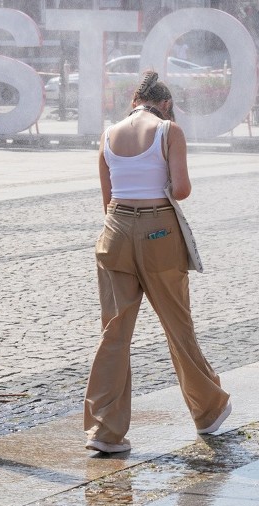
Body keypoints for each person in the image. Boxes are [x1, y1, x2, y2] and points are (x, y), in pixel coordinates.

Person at [83, 69, 231, 453]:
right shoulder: (169, 131)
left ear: (134, 102)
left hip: (114, 231)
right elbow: (180, 189)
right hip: (158, 232)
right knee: (177, 324)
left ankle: (104, 432)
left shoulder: (108, 134)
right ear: (165, 104)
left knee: (114, 333)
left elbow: (108, 197)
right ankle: (208, 411)